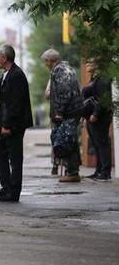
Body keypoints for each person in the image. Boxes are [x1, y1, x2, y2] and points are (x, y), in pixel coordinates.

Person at [0, 45, 33, 202]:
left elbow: (14, 103)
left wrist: (7, 125)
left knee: (14, 158)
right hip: (6, 123)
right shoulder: (6, 75)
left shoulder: (16, 75)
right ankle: (7, 187)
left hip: (13, 125)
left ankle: (13, 191)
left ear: (4, 58)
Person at [41, 48, 83, 182]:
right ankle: (73, 171)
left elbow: (64, 93)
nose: (45, 64)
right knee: (70, 140)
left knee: (66, 140)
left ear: (50, 61)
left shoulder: (60, 71)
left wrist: (59, 111)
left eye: (46, 61)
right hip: (73, 111)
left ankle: (72, 172)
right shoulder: (66, 68)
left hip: (68, 113)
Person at [82, 58, 113, 181]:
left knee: (102, 143)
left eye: (91, 63)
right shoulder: (94, 79)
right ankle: (98, 170)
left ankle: (105, 172)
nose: (88, 65)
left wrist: (95, 114)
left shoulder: (103, 79)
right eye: (87, 63)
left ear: (97, 65)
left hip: (100, 117)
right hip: (90, 117)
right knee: (96, 144)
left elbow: (103, 99)